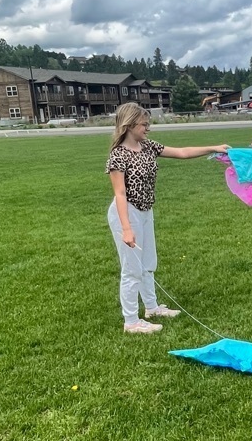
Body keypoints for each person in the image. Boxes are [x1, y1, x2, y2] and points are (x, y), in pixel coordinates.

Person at [106, 103, 230, 333]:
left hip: (145, 210)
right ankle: (131, 321)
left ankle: (152, 308)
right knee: (132, 268)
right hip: (127, 212)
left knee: (148, 262)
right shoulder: (118, 155)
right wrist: (126, 228)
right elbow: (120, 193)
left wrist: (215, 148)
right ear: (130, 125)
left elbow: (182, 152)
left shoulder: (147, 146)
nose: (148, 128)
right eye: (144, 124)